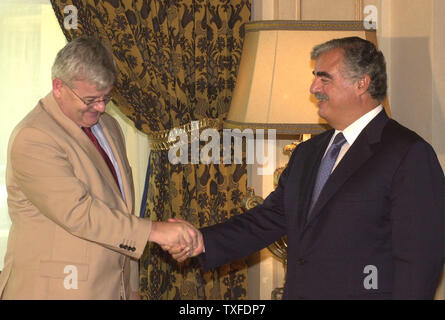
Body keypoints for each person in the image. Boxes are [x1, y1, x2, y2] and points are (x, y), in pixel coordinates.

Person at [168, 37, 445, 299]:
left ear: (362, 83)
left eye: (324, 78)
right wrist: (202, 240)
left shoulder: (408, 154)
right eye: (315, 77)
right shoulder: (308, 152)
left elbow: (420, 262)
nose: (313, 88)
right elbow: (269, 218)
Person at [0, 37, 200, 300]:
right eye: (91, 98)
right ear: (58, 86)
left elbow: (118, 209)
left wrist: (130, 289)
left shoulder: (108, 126)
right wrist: (156, 231)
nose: (102, 107)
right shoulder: (34, 137)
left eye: (106, 97)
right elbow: (80, 213)